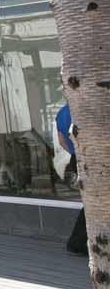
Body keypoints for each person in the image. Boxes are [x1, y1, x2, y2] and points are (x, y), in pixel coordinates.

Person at [56, 102, 87, 256]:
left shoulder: (61, 113)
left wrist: (75, 155)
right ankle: (78, 242)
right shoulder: (83, 108)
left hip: (77, 157)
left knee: (91, 202)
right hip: (91, 158)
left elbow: (62, 141)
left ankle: (77, 242)